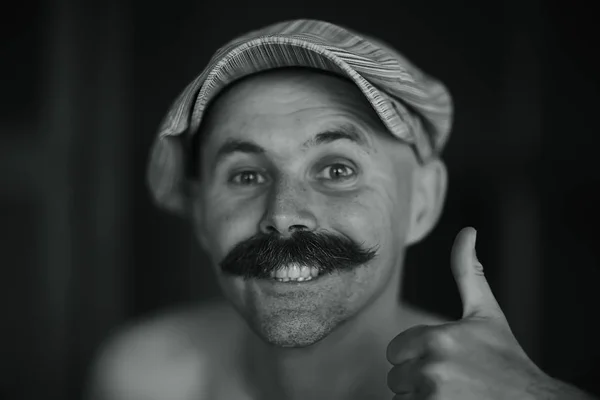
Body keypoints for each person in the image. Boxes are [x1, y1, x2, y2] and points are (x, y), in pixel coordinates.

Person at [86, 19, 597, 400]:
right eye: (246, 176)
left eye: (336, 169)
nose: (284, 214)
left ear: (423, 201)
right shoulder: (142, 376)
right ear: (200, 216)